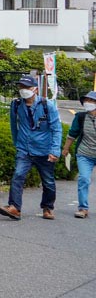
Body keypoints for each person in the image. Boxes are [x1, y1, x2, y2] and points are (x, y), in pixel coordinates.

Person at [0, 74, 62, 221]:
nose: (23, 90)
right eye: (21, 87)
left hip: (44, 150)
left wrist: (55, 150)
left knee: (48, 181)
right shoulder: (16, 105)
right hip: (24, 149)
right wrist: (17, 143)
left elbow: (56, 129)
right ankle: (14, 208)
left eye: (26, 87)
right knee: (18, 176)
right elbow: (14, 126)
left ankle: (48, 207)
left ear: (35, 89)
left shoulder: (47, 106)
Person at [62, 90, 96, 219]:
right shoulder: (81, 117)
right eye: (86, 101)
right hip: (84, 154)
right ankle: (83, 208)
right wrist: (66, 149)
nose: (88, 103)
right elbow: (72, 134)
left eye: (92, 101)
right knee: (84, 179)